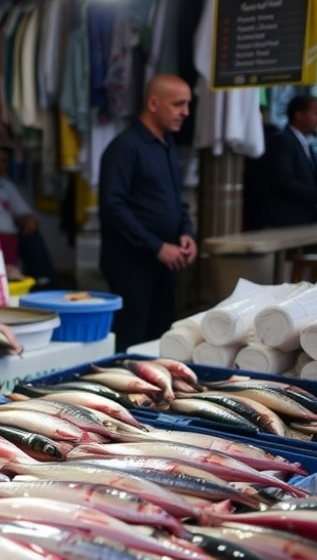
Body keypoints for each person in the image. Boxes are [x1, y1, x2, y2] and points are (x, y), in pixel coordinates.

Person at [97, 74, 198, 353]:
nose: (185, 113)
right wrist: (157, 247)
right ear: (153, 103)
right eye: (178, 104)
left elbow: (176, 200)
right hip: (131, 264)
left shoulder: (168, 145)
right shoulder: (124, 148)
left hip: (165, 263)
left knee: (160, 339)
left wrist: (186, 233)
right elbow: (112, 207)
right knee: (131, 342)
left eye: (187, 104)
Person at [0, 147, 56, 287]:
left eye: (2, 161)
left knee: (33, 236)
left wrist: (28, 219)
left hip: (9, 237)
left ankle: (43, 282)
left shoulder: (7, 186)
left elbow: (23, 212)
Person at [261, 95, 317, 228]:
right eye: (315, 113)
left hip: (306, 220)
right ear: (298, 115)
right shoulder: (283, 140)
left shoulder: (305, 143)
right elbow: (283, 181)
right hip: (288, 222)